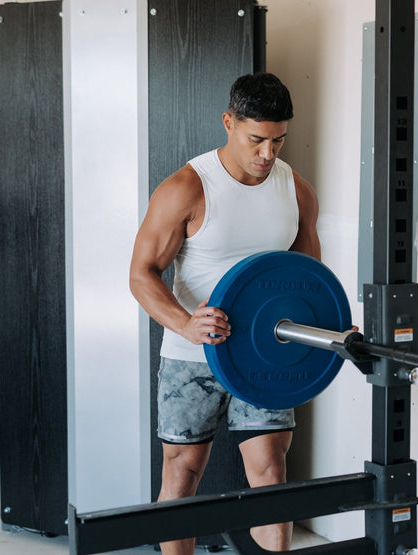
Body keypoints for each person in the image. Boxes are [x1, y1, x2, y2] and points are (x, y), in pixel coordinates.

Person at [129, 72, 318, 554]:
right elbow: (141, 274)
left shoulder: (295, 191)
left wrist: (333, 329)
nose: (267, 154)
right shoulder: (187, 188)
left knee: (271, 473)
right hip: (193, 356)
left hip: (265, 355)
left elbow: (309, 281)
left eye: (278, 140)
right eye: (257, 140)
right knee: (182, 474)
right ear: (229, 123)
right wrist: (186, 324)